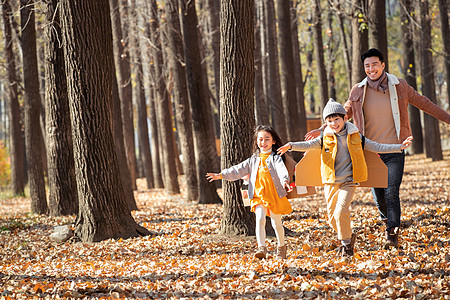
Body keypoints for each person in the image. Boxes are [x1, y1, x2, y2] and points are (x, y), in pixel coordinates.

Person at [306, 48, 450, 249]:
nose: (371, 68)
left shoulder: (399, 86)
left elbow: (424, 103)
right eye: (367, 66)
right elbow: (341, 114)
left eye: (375, 64)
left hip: (394, 149)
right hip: (369, 152)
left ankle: (392, 234)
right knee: (378, 196)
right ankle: (386, 222)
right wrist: (321, 129)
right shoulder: (358, 90)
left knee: (391, 192)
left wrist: (448, 119)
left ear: (383, 65)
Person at [278, 99, 413, 257]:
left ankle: (346, 247)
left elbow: (377, 146)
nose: (334, 124)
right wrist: (290, 145)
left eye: (336, 119)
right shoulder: (324, 138)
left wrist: (399, 147)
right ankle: (348, 236)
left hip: (349, 181)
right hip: (330, 182)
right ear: (326, 123)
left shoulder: (356, 136)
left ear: (344, 118)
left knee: (341, 211)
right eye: (329, 121)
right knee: (331, 219)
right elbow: (308, 145)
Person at [206, 125, 293, 259]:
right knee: (260, 219)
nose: (263, 142)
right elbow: (238, 169)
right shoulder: (253, 159)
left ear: (273, 141)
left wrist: (285, 181)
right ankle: (261, 248)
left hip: (274, 194)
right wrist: (221, 175)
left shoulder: (275, 157)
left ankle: (281, 247)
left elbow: (282, 170)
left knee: (276, 222)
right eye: (260, 139)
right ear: (256, 141)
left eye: (266, 139)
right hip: (258, 194)